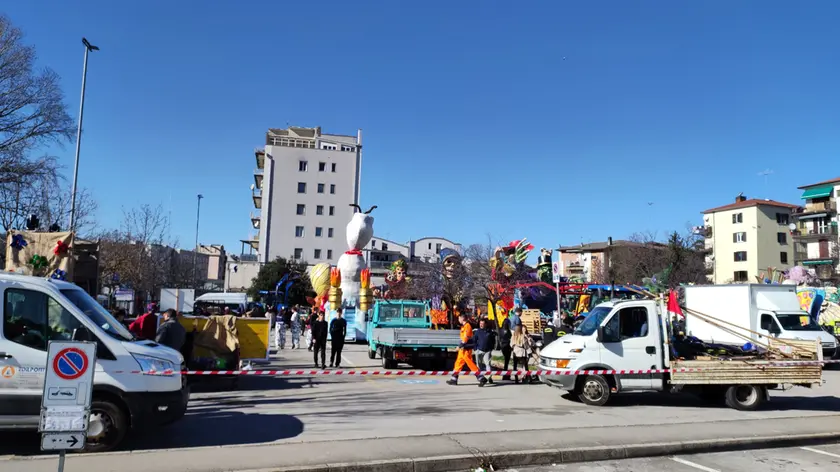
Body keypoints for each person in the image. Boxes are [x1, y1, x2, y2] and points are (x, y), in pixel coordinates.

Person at [447, 313, 487, 387]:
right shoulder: (463, 327)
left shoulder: (467, 327)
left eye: (459, 318)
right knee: (458, 364)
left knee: (470, 364)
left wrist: (459, 346)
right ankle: (454, 379)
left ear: (463, 318)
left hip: (466, 349)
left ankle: (481, 378)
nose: (458, 319)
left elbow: (465, 339)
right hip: (462, 350)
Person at [472, 317, 496, 384]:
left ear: (486, 324)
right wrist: (475, 349)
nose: (481, 325)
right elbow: (474, 341)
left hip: (487, 351)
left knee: (488, 364)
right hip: (479, 351)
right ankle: (481, 378)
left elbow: (493, 341)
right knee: (479, 365)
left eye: (482, 323)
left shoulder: (489, 332)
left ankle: (489, 378)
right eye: (480, 323)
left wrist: (491, 348)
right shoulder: (477, 332)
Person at [500, 316, 513, 381]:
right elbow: (509, 339)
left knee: (506, 362)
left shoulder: (500, 330)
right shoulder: (508, 331)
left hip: (503, 347)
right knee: (506, 362)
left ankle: (505, 375)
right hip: (507, 347)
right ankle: (505, 375)